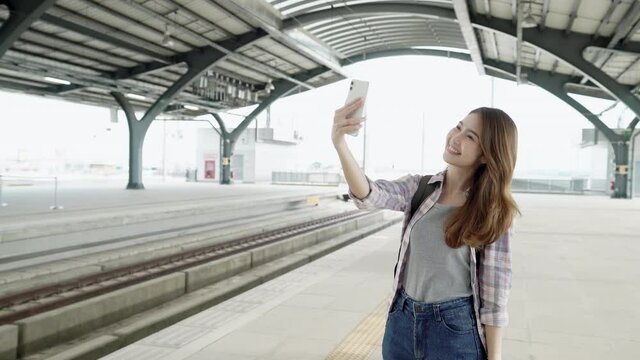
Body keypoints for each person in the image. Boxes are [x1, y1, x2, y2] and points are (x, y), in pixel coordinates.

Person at [332, 98, 519, 360]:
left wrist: (495, 357)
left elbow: (495, 294)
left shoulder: (492, 210)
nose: (456, 137)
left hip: (455, 332)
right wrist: (340, 143)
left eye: (470, 137)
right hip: (402, 321)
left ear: (488, 154)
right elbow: (368, 195)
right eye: (458, 127)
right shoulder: (419, 188)